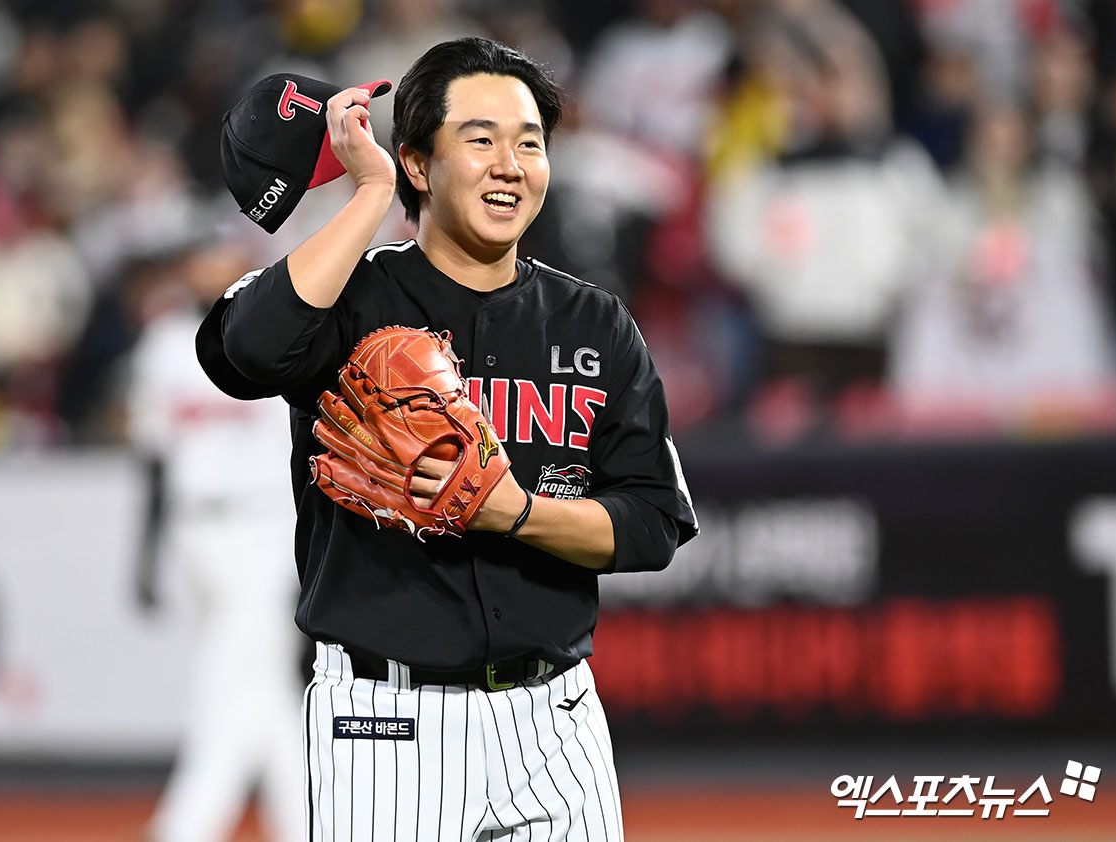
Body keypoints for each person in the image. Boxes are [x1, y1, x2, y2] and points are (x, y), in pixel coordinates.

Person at [197, 36, 698, 842]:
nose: (511, 164)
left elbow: (651, 525)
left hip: (555, 718)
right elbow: (243, 352)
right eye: (481, 140)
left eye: (530, 142)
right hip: (384, 719)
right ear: (419, 166)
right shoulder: (349, 301)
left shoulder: (595, 323)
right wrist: (366, 196)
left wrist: (515, 514)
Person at [126, 237, 305, 842]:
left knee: (228, 684)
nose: (213, 272)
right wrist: (146, 556)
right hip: (193, 533)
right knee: (263, 689)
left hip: (262, 531)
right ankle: (311, 824)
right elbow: (154, 457)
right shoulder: (164, 346)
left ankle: (185, 826)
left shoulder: (279, 341)